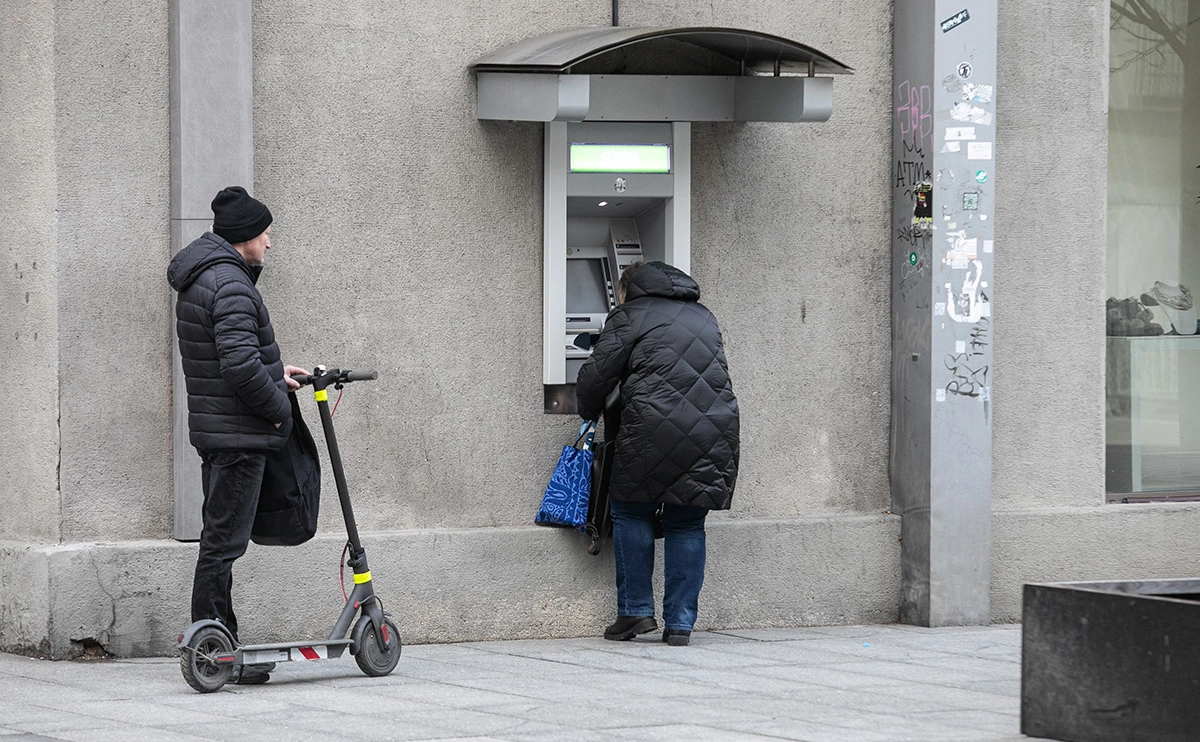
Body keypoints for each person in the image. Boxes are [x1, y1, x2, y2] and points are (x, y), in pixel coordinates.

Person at [167, 186, 308, 684]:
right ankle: (212, 646)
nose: (269, 243)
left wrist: (277, 371)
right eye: (265, 233)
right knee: (222, 543)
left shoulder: (208, 277)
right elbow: (239, 366)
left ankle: (219, 642)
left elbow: (237, 358)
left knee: (220, 539)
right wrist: (278, 413)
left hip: (221, 431)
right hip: (240, 436)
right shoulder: (230, 283)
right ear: (247, 235)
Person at [575, 261, 740, 647]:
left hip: (652, 425)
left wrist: (587, 408)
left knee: (632, 509)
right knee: (687, 521)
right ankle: (680, 623)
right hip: (713, 428)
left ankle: (635, 611)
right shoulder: (703, 315)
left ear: (627, 289)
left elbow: (597, 374)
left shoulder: (629, 315)